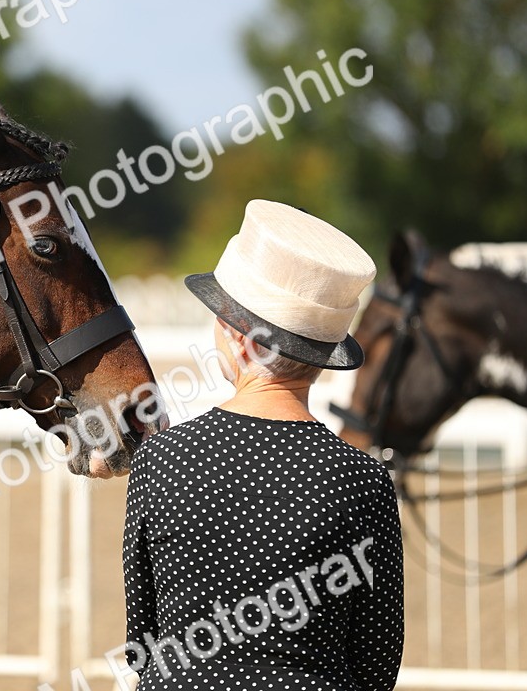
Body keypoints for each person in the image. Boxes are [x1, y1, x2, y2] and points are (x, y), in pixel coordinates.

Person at [123, 200, 404, 690]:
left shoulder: (160, 460)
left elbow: (141, 639)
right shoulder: (363, 481)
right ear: (320, 357)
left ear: (240, 339)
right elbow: (376, 662)